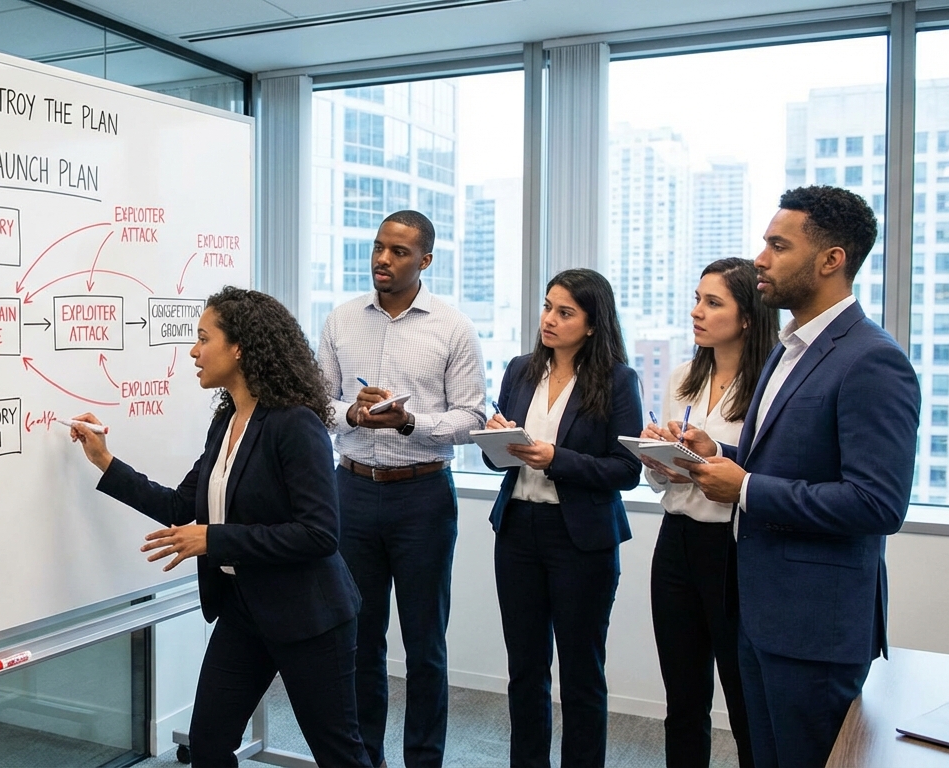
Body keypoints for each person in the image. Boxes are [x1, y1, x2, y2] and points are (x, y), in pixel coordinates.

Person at [67, 286, 372, 768]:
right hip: (244, 610)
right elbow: (179, 504)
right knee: (208, 746)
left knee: (339, 754)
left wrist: (212, 539)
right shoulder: (227, 421)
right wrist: (105, 460)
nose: (193, 350)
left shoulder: (296, 424)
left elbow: (319, 534)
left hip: (310, 616)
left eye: (203, 338)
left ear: (239, 347)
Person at [672, 186, 920, 768]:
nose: (761, 258)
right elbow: (795, 457)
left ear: (831, 260)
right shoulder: (790, 349)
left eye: (778, 246)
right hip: (759, 609)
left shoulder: (871, 359)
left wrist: (748, 488)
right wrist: (721, 450)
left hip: (815, 625)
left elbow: (878, 503)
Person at [316, 210, 487, 768]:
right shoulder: (341, 320)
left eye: (399, 252)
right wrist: (355, 416)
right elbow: (318, 405)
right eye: (378, 247)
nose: (383, 259)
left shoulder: (452, 327)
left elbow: (471, 417)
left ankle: (424, 761)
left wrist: (411, 423)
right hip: (354, 492)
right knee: (359, 641)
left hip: (423, 498)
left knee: (425, 646)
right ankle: (366, 758)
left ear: (425, 260)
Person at [483, 267, 642, 768]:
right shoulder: (520, 368)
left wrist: (556, 458)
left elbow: (627, 469)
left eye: (565, 312)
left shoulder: (617, 380)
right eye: (547, 307)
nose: (549, 319)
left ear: (593, 325)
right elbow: (496, 461)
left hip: (581, 538)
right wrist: (498, 440)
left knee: (580, 672)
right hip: (517, 531)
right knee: (525, 670)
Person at [641, 258, 776, 768]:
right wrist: (661, 461)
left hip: (734, 547)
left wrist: (710, 456)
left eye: (712, 302)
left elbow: (761, 466)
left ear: (747, 317)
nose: (696, 312)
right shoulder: (683, 376)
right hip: (676, 539)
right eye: (696, 298)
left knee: (743, 698)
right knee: (683, 696)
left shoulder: (769, 383)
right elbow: (659, 477)